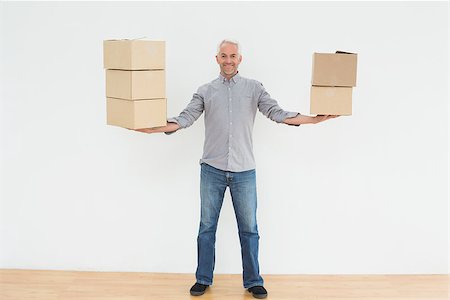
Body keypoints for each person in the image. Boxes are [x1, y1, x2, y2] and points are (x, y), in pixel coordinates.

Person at [132, 39, 338, 299]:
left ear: (240, 59)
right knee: (207, 227)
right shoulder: (205, 91)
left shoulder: (254, 88)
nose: (228, 60)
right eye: (223, 56)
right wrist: (151, 128)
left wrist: (313, 120)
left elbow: (278, 114)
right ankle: (203, 278)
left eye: (233, 56)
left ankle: (253, 281)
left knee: (249, 229)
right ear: (216, 59)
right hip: (212, 169)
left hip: (244, 171)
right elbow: (184, 119)